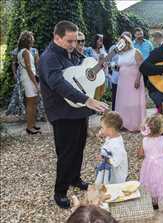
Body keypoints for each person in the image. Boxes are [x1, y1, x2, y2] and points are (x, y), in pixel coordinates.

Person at [39, 20, 108, 209]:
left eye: (75, 41)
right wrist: (88, 100)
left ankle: (75, 178)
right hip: (61, 112)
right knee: (66, 152)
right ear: (57, 37)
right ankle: (60, 191)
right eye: (69, 41)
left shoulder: (72, 53)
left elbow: (82, 75)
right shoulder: (49, 57)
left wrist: (97, 69)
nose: (73, 45)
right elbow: (59, 84)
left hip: (78, 110)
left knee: (79, 147)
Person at [115, 33, 146, 132]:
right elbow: (120, 66)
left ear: (127, 42)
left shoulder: (135, 52)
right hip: (122, 81)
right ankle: (123, 123)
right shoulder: (120, 54)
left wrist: (138, 79)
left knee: (134, 102)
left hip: (134, 80)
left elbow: (141, 66)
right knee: (123, 102)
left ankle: (135, 125)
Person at [15, 31, 41, 134]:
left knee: (33, 103)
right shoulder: (25, 52)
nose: (33, 39)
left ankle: (32, 124)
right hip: (28, 79)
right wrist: (35, 83)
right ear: (28, 40)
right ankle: (29, 127)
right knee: (31, 103)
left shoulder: (24, 51)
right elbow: (29, 70)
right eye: (31, 38)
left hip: (29, 78)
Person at [95, 112, 128, 185]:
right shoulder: (112, 136)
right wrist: (102, 135)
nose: (100, 130)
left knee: (114, 187)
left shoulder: (116, 146)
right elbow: (108, 143)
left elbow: (116, 162)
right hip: (110, 169)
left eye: (102, 127)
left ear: (110, 130)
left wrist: (103, 158)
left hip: (116, 174)